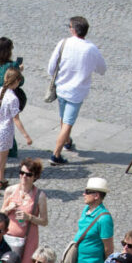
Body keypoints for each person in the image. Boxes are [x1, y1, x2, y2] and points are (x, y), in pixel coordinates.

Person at [47, 16, 105, 165]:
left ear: (73, 30)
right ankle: (56, 155)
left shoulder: (63, 43)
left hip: (61, 88)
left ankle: (66, 141)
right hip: (77, 92)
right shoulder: (91, 48)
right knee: (68, 122)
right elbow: (102, 69)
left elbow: (51, 67)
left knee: (64, 118)